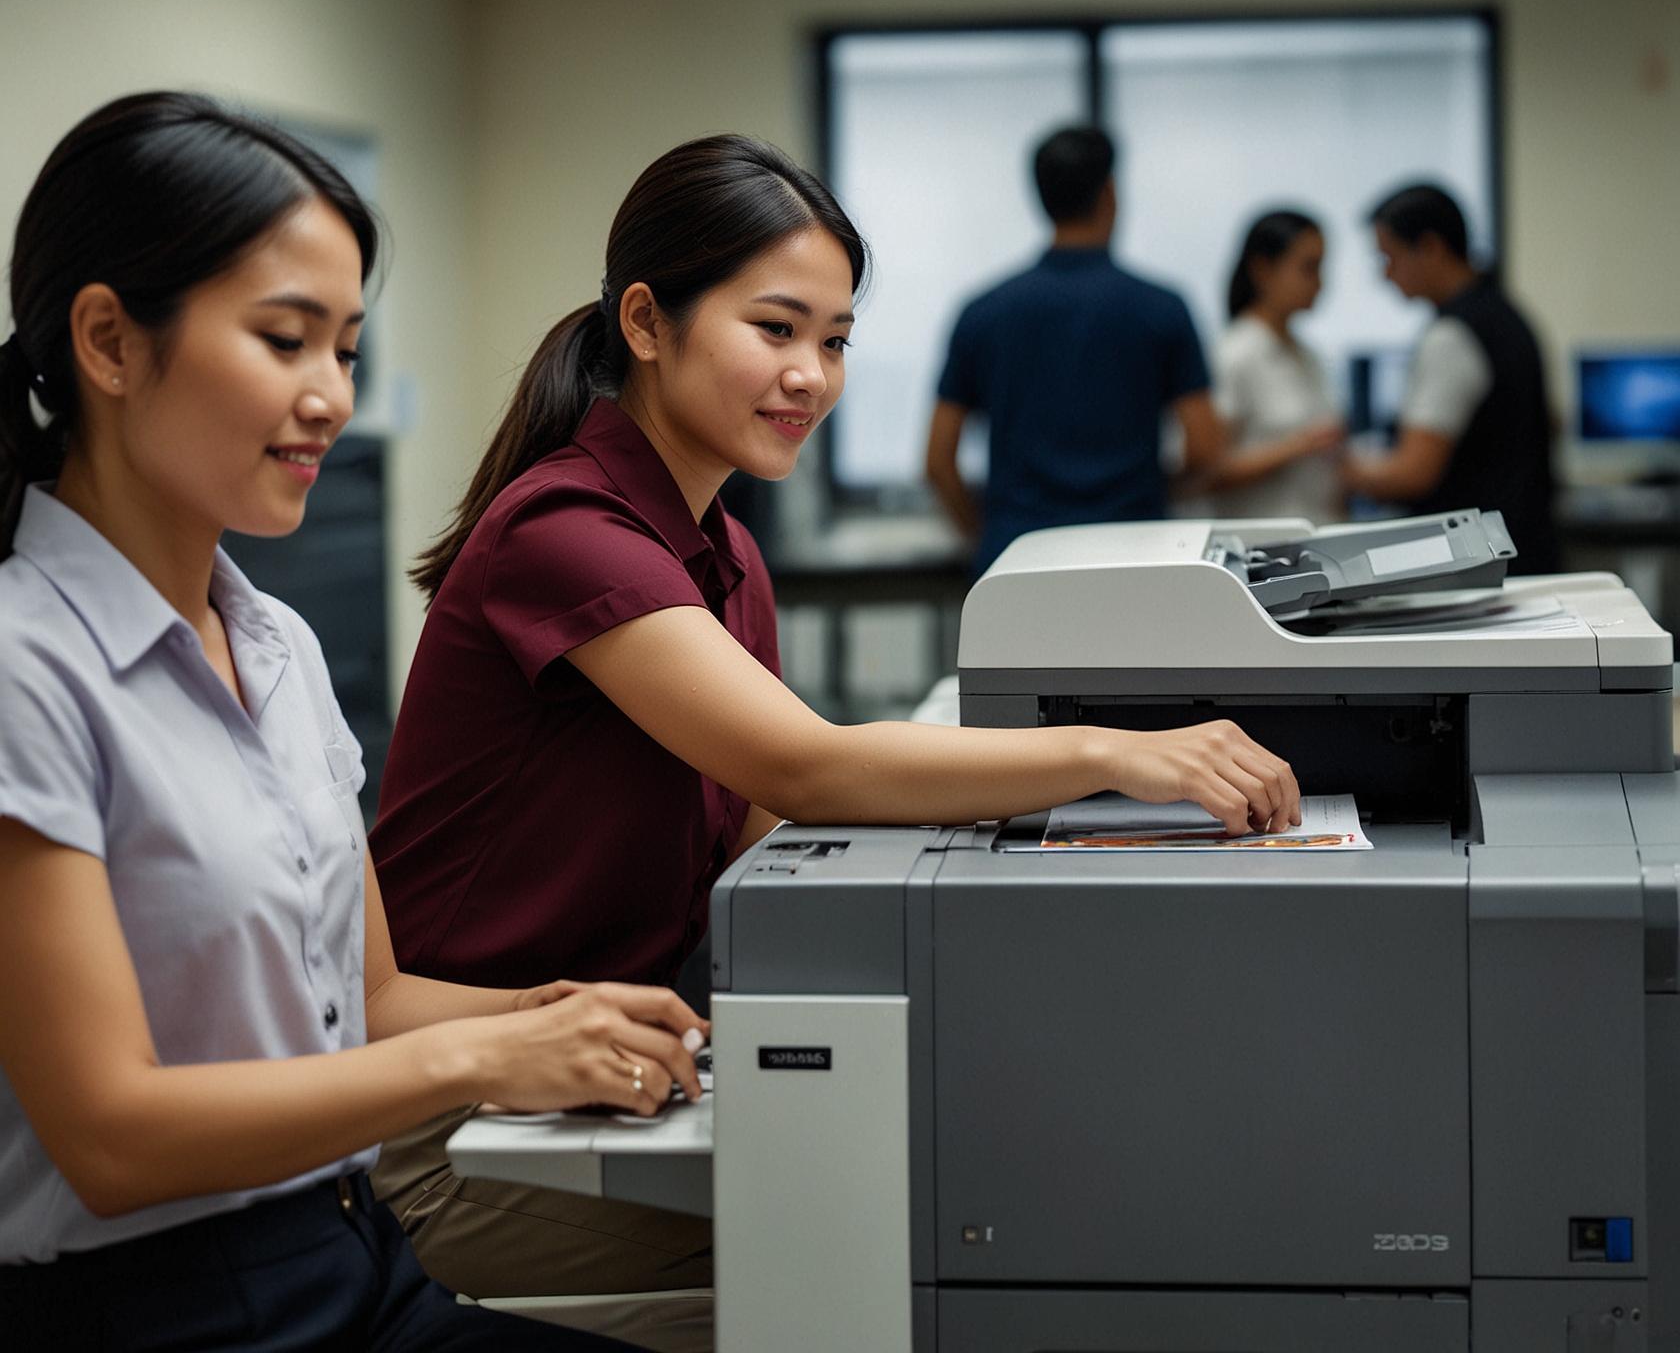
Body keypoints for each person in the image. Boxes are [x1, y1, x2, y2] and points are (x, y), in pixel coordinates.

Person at [369, 134, 1300, 1310]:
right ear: (647, 323)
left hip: (608, 1077)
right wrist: (1113, 756)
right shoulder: (564, 531)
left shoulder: (723, 552)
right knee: (916, 1249)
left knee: (996, 1179)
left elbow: (767, 828)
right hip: (454, 1126)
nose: (811, 372)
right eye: (775, 329)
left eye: (837, 339)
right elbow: (804, 766)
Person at [0, 92, 710, 1353]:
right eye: (286, 341)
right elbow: (110, 1138)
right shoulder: (25, 665)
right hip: (153, 1312)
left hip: (351, 1255)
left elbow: (363, 1000)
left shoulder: (275, 643)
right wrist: (488, 1067)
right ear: (108, 341)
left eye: (346, 348)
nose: (331, 396)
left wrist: (559, 1013)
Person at [925, 125, 1222, 575]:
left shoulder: (982, 312)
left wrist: (987, 533)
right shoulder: (1162, 308)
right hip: (1136, 557)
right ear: (1110, 193)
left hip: (1017, 559)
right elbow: (1203, 446)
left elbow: (938, 460)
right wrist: (1147, 494)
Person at [1341, 183, 1561, 573]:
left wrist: (1338, 467)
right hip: (1527, 544)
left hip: (1478, 565)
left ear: (1430, 247)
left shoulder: (1452, 336)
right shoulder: (1509, 316)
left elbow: (1413, 474)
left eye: (1389, 257)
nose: (1386, 274)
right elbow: (1553, 423)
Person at [1203, 211, 1343, 523]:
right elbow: (1208, 472)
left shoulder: (1308, 355)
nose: (1320, 282)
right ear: (1263, 270)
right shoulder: (1233, 354)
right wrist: (1299, 445)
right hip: (1264, 547)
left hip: (1321, 535)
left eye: (1321, 268)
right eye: (1308, 268)